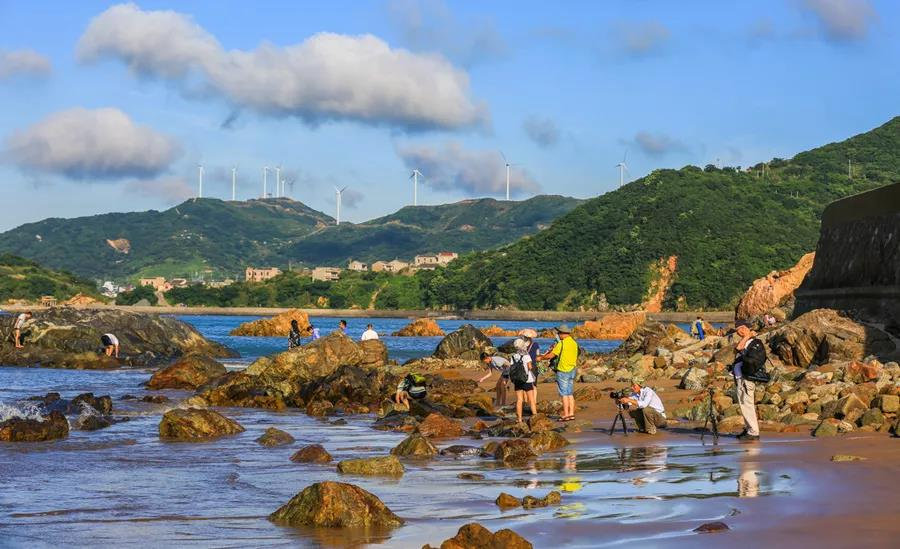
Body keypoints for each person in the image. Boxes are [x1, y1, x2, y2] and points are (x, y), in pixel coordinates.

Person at [539, 324, 579, 422]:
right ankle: (571, 414)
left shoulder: (562, 343)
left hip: (563, 370)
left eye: (559, 333)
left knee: (564, 394)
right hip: (572, 369)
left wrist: (541, 357)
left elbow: (551, 355)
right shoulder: (574, 343)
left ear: (563, 333)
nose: (558, 334)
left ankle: (565, 414)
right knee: (570, 393)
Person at [732, 321, 761, 441]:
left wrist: (747, 336)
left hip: (747, 379)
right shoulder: (749, 340)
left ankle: (753, 432)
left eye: (738, 330)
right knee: (744, 405)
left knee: (747, 404)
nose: (738, 333)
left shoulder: (754, 342)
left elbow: (739, 348)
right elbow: (737, 350)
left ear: (743, 328)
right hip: (742, 379)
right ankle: (749, 429)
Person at [510, 338, 538, 424]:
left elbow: (511, 367)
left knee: (519, 400)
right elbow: (530, 367)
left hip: (517, 380)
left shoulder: (513, 356)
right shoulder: (526, 356)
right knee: (531, 399)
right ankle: (535, 416)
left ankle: (519, 419)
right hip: (527, 380)